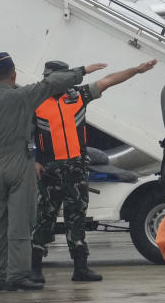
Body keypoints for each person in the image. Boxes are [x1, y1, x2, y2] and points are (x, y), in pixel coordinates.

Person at [0, 53, 106, 291]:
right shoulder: (22, 96)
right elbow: (52, 83)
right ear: (13, 75)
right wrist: (83, 70)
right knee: (21, 222)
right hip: (20, 163)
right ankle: (18, 275)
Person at [31, 58, 157, 283]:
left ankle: (80, 268)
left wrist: (136, 70)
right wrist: (33, 160)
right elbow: (21, 132)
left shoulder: (77, 96)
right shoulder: (34, 100)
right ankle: (35, 268)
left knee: (76, 217)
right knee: (44, 218)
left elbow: (108, 81)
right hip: (50, 170)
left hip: (76, 168)